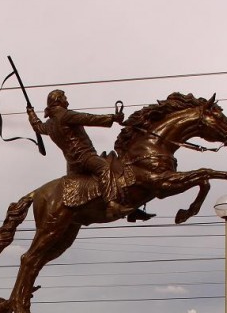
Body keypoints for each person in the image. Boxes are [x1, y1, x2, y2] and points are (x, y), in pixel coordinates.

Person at [27, 89, 154, 222]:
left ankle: (131, 209)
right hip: (85, 157)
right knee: (105, 168)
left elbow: (37, 127)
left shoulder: (49, 124)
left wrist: (31, 113)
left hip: (72, 165)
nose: (67, 101)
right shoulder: (65, 115)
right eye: (65, 98)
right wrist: (113, 118)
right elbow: (89, 118)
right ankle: (112, 205)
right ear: (58, 100)